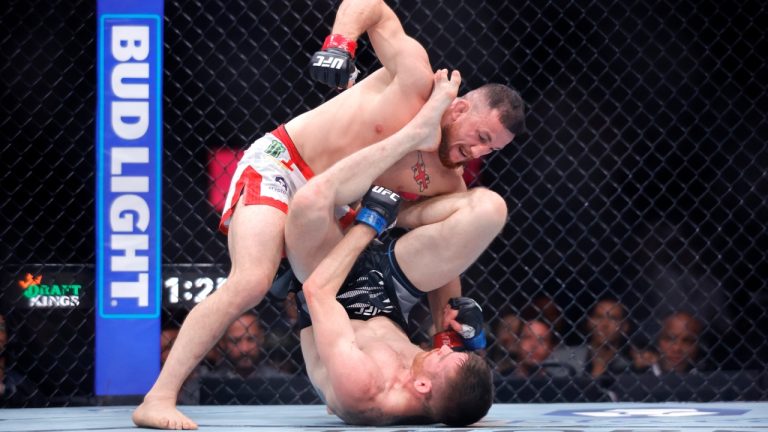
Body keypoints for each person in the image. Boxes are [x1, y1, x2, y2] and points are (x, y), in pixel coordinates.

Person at [133, 0, 524, 427]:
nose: (479, 151)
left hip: (344, 214)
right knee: (250, 280)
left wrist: (445, 330)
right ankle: (159, 397)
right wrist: (340, 43)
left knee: (477, 207)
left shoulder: (447, 180)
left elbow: (447, 262)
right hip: (286, 167)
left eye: (493, 149)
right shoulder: (415, 82)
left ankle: (312, 265)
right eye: (482, 137)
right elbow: (371, 5)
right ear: (461, 107)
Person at [288, 69, 501, 426]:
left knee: (311, 200)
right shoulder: (436, 386)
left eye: (445, 355)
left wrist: (369, 224)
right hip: (386, 294)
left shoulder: (362, 386)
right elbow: (458, 374)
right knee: (490, 208)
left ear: (420, 385)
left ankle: (362, 213)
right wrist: (461, 332)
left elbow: (317, 292)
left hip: (328, 288)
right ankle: (394, 214)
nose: (444, 347)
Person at [548, 298, 632, 379]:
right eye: (599, 317)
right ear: (589, 322)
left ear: (625, 326)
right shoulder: (561, 359)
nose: (604, 324)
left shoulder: (630, 367)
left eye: (613, 318)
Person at [207, 311, 288, 380]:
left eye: (251, 339)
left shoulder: (282, 382)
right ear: (222, 342)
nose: (244, 349)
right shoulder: (206, 385)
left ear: (261, 338)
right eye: (235, 341)